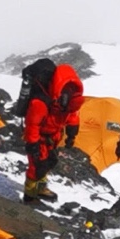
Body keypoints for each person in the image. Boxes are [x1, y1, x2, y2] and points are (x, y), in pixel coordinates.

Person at [22, 60, 84, 204]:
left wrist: (71, 135)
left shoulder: (69, 103)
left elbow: (72, 117)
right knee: (36, 166)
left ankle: (40, 188)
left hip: (52, 137)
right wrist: (33, 144)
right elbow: (32, 125)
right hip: (39, 138)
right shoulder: (40, 103)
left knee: (48, 162)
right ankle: (29, 196)